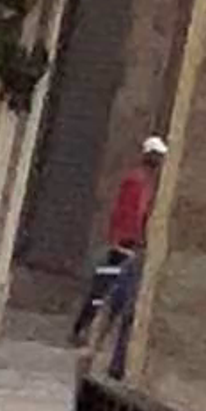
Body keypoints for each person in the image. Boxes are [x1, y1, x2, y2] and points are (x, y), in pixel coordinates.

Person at [74, 135, 161, 370]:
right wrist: (130, 240)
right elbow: (129, 213)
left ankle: (89, 331)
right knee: (106, 289)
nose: (159, 160)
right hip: (123, 244)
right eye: (156, 155)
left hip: (127, 244)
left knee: (109, 290)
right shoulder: (137, 181)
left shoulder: (144, 181)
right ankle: (83, 328)